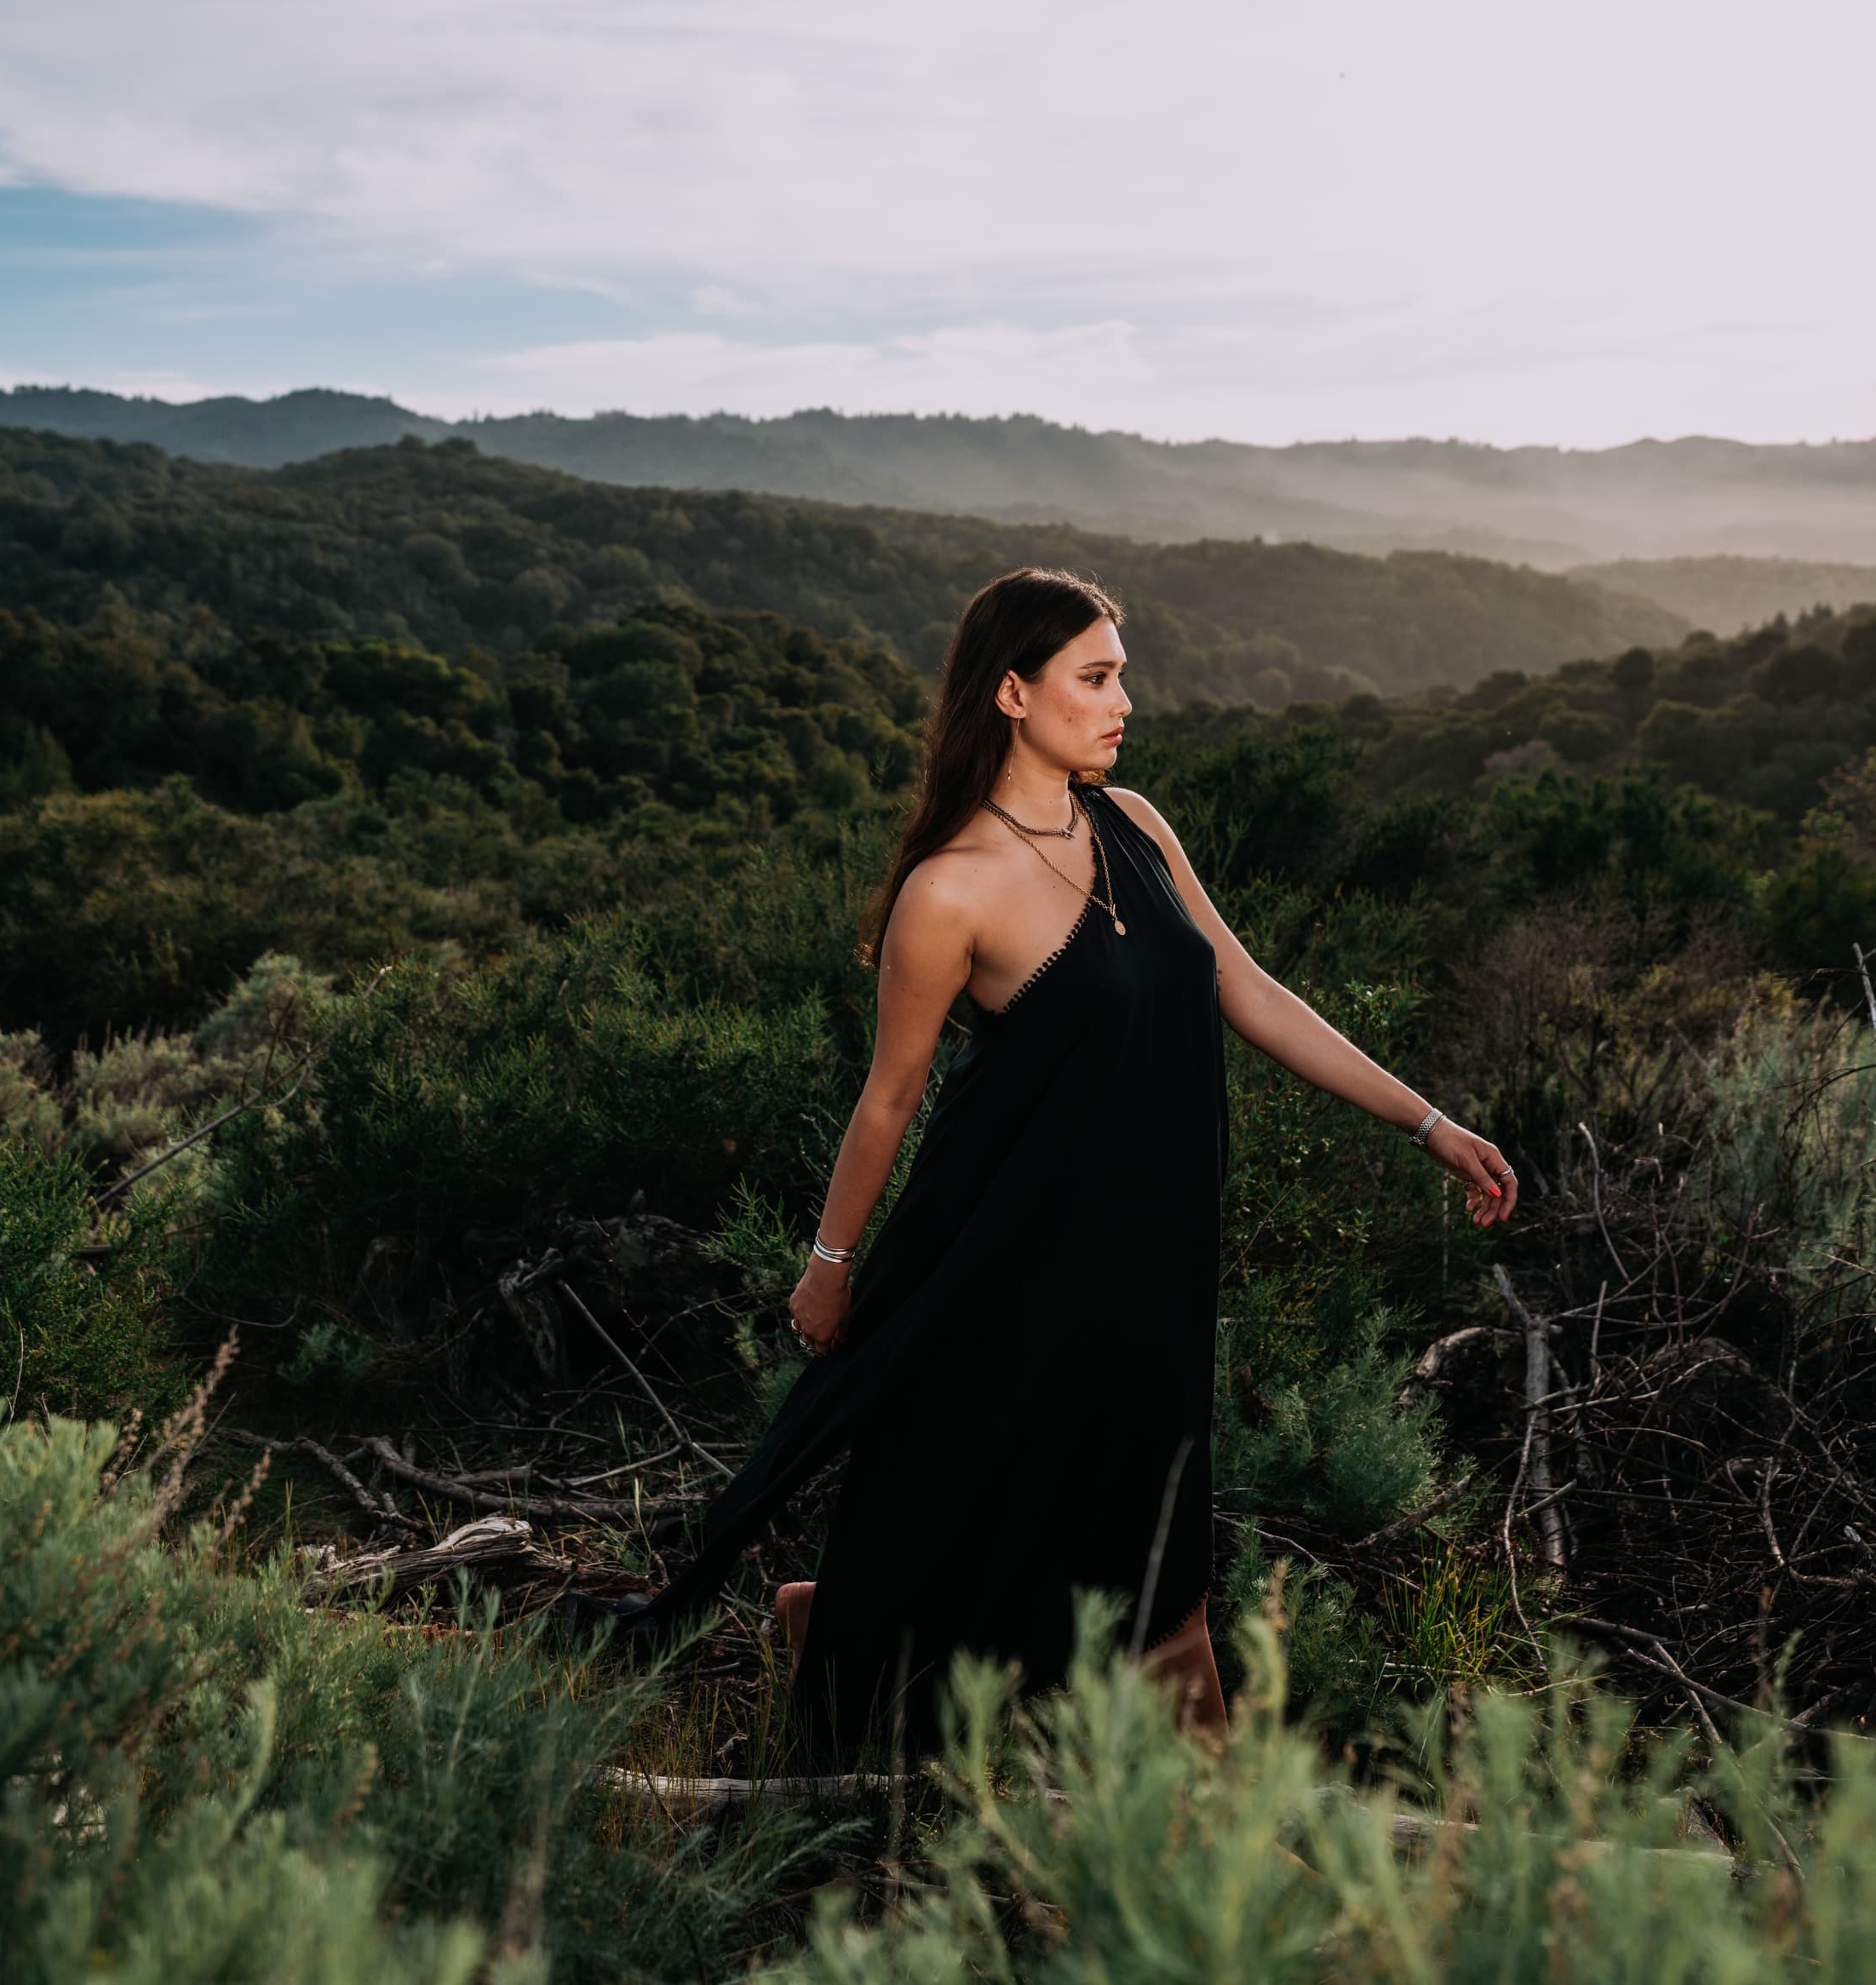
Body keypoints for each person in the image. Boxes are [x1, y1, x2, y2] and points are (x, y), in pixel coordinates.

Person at [571, 568, 1517, 1756]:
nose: (1125, 701)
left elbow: (1250, 992)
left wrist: (1428, 1122)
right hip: (1018, 1272)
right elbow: (891, 1101)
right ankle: (1218, 1871)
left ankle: (830, 1619)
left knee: (1095, 1536)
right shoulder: (949, 892)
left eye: (1122, 673)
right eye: (1098, 676)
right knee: (1118, 1568)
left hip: (1156, 1270)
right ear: (1013, 693)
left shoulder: (1134, 825)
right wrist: (828, 1264)